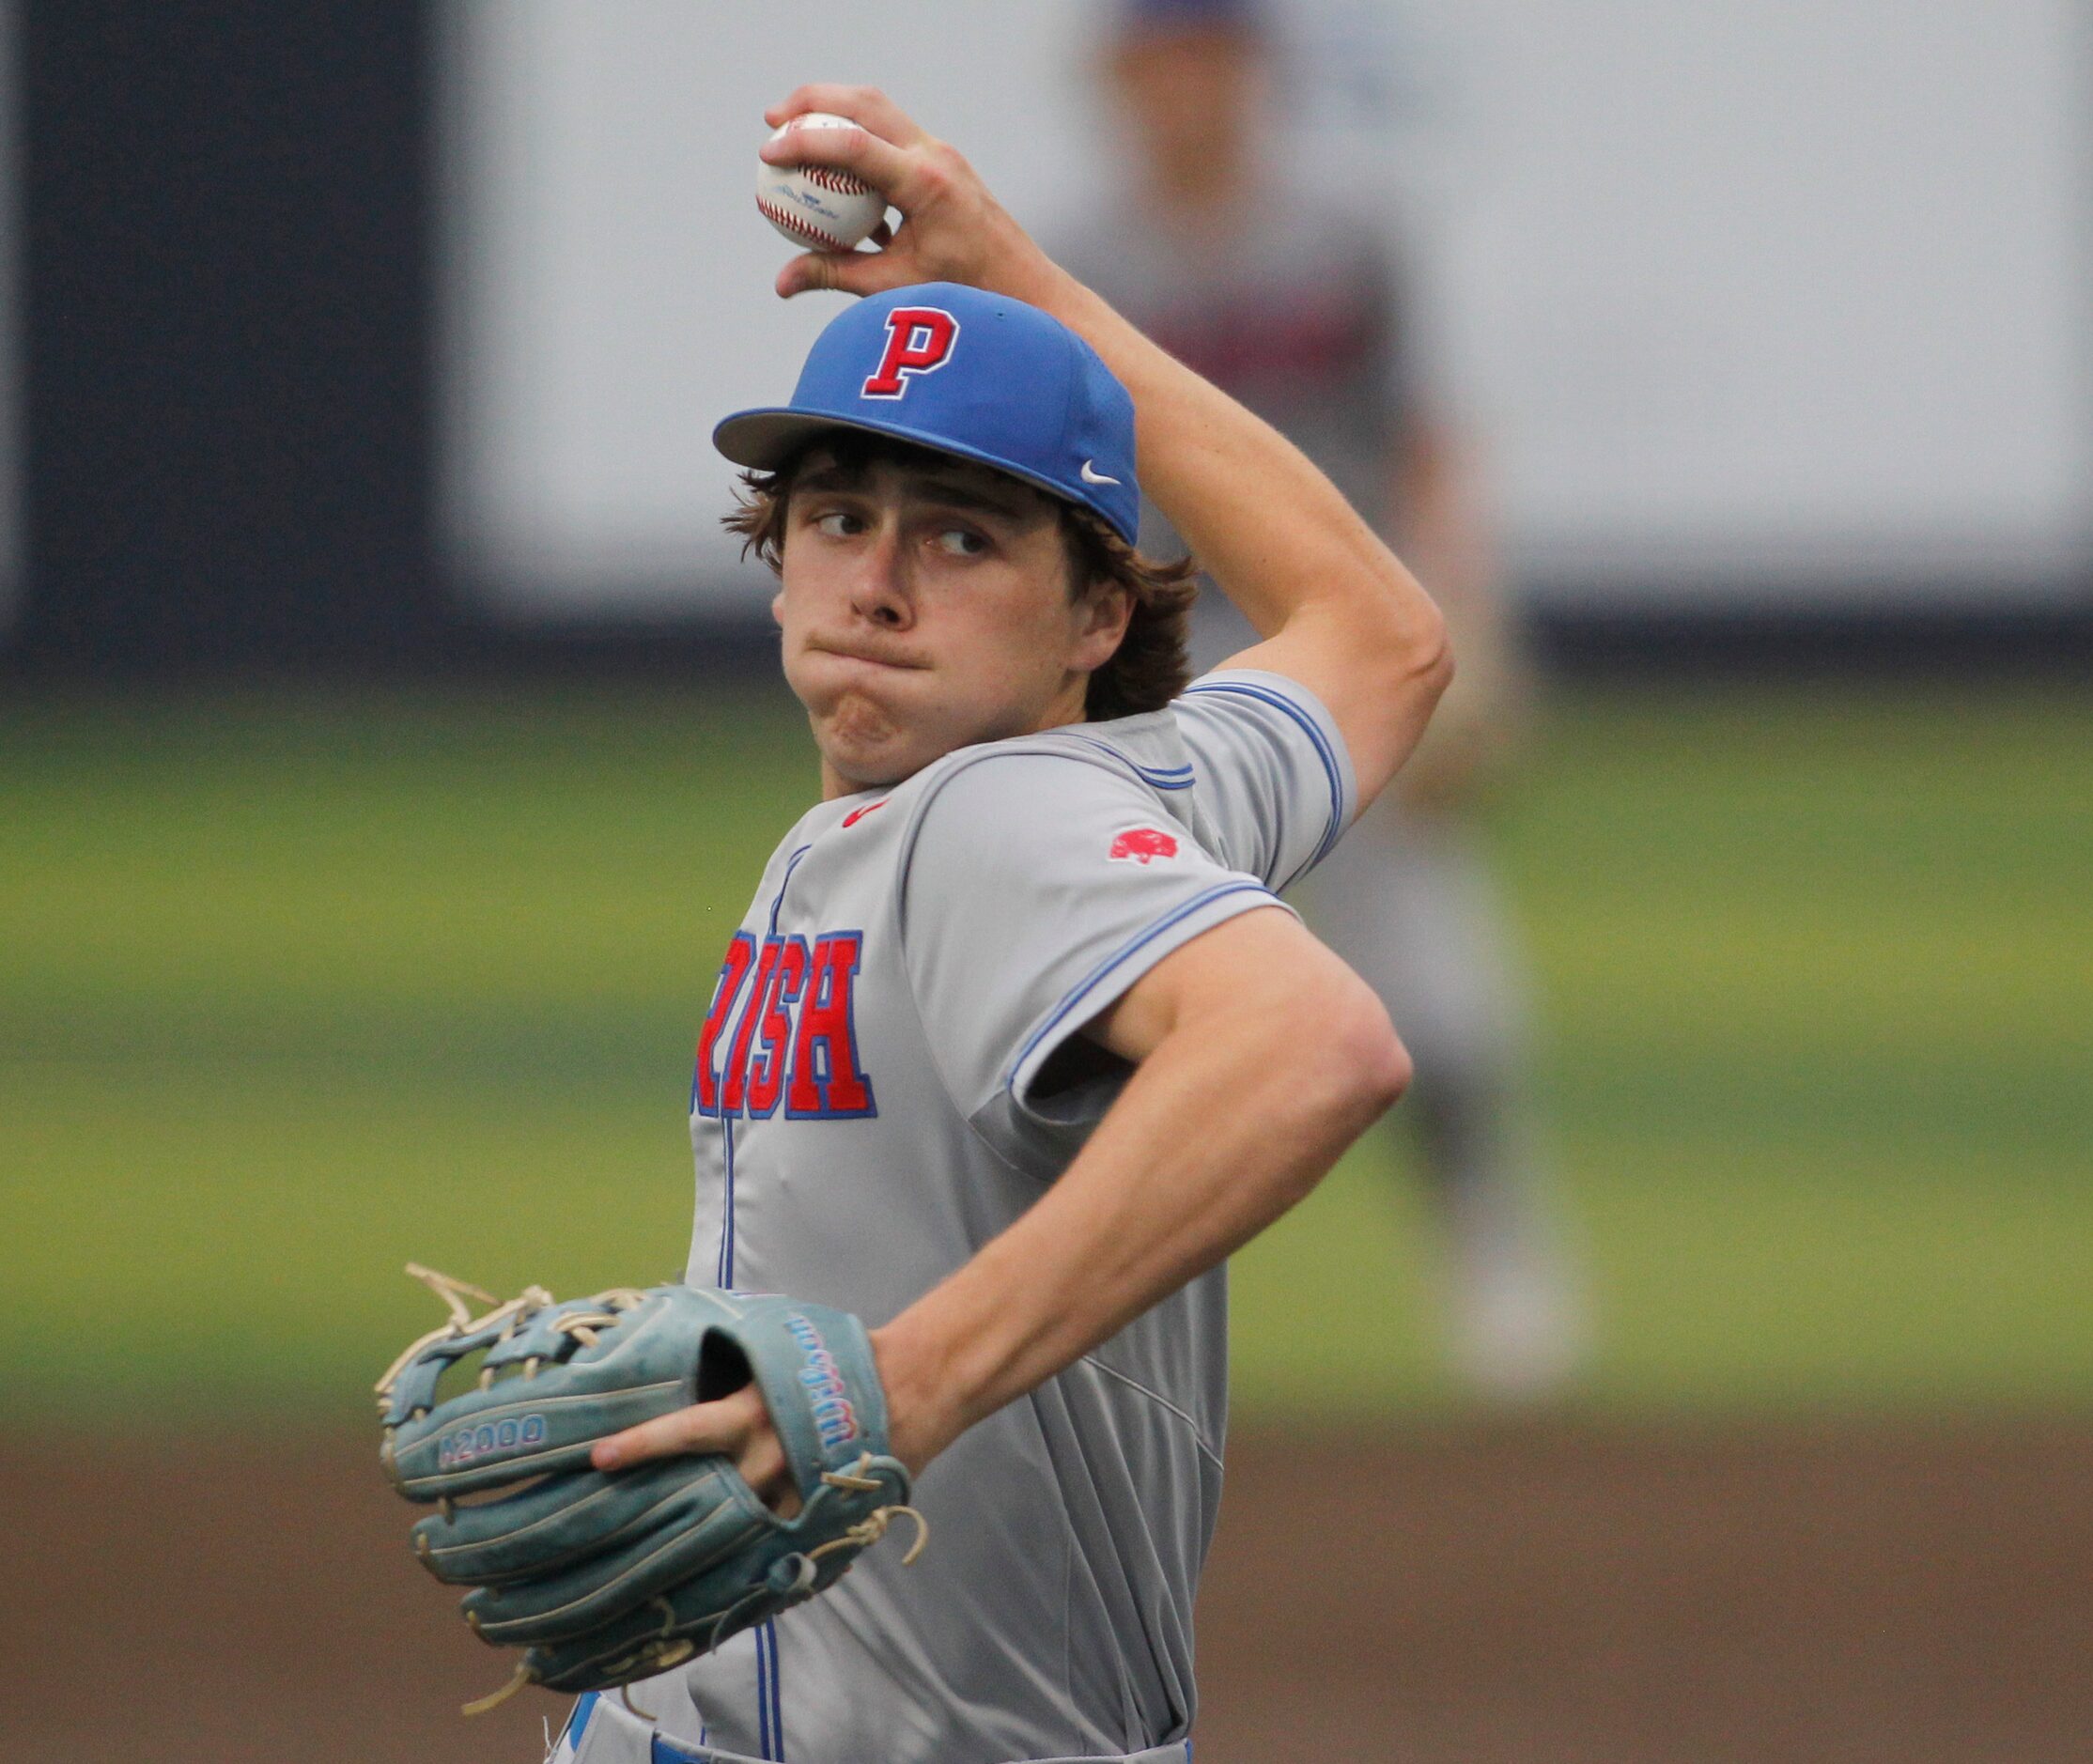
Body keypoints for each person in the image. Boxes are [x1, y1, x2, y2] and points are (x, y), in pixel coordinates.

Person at [551, 82, 1450, 1764]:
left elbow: (1315, 1043)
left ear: (1098, 611)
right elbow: (1378, 632)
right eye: (838, 518)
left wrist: (908, 1381)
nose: (878, 581)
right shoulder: (1147, 785)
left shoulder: (998, 821)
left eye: (961, 535)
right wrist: (1026, 278)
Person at [1054, 0, 1586, 1398]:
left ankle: (1498, 1261)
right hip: (1146, 655)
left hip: (1334, 637)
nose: (1189, 89)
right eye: (1164, 60)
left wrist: (1463, 624)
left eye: (1212, 58)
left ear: (1258, 74)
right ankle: (1077, 1322)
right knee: (1095, 991)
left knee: (1424, 978)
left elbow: (1425, 443)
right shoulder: (1073, 263)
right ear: (1117, 81)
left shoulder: (1341, 239)